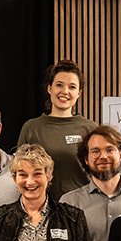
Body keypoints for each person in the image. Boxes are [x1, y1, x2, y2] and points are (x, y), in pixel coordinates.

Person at [15, 60, 95, 198]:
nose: (65, 91)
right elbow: (19, 171)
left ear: (79, 93)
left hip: (82, 208)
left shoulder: (91, 129)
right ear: (49, 88)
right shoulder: (31, 128)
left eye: (72, 87)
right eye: (59, 85)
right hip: (41, 208)